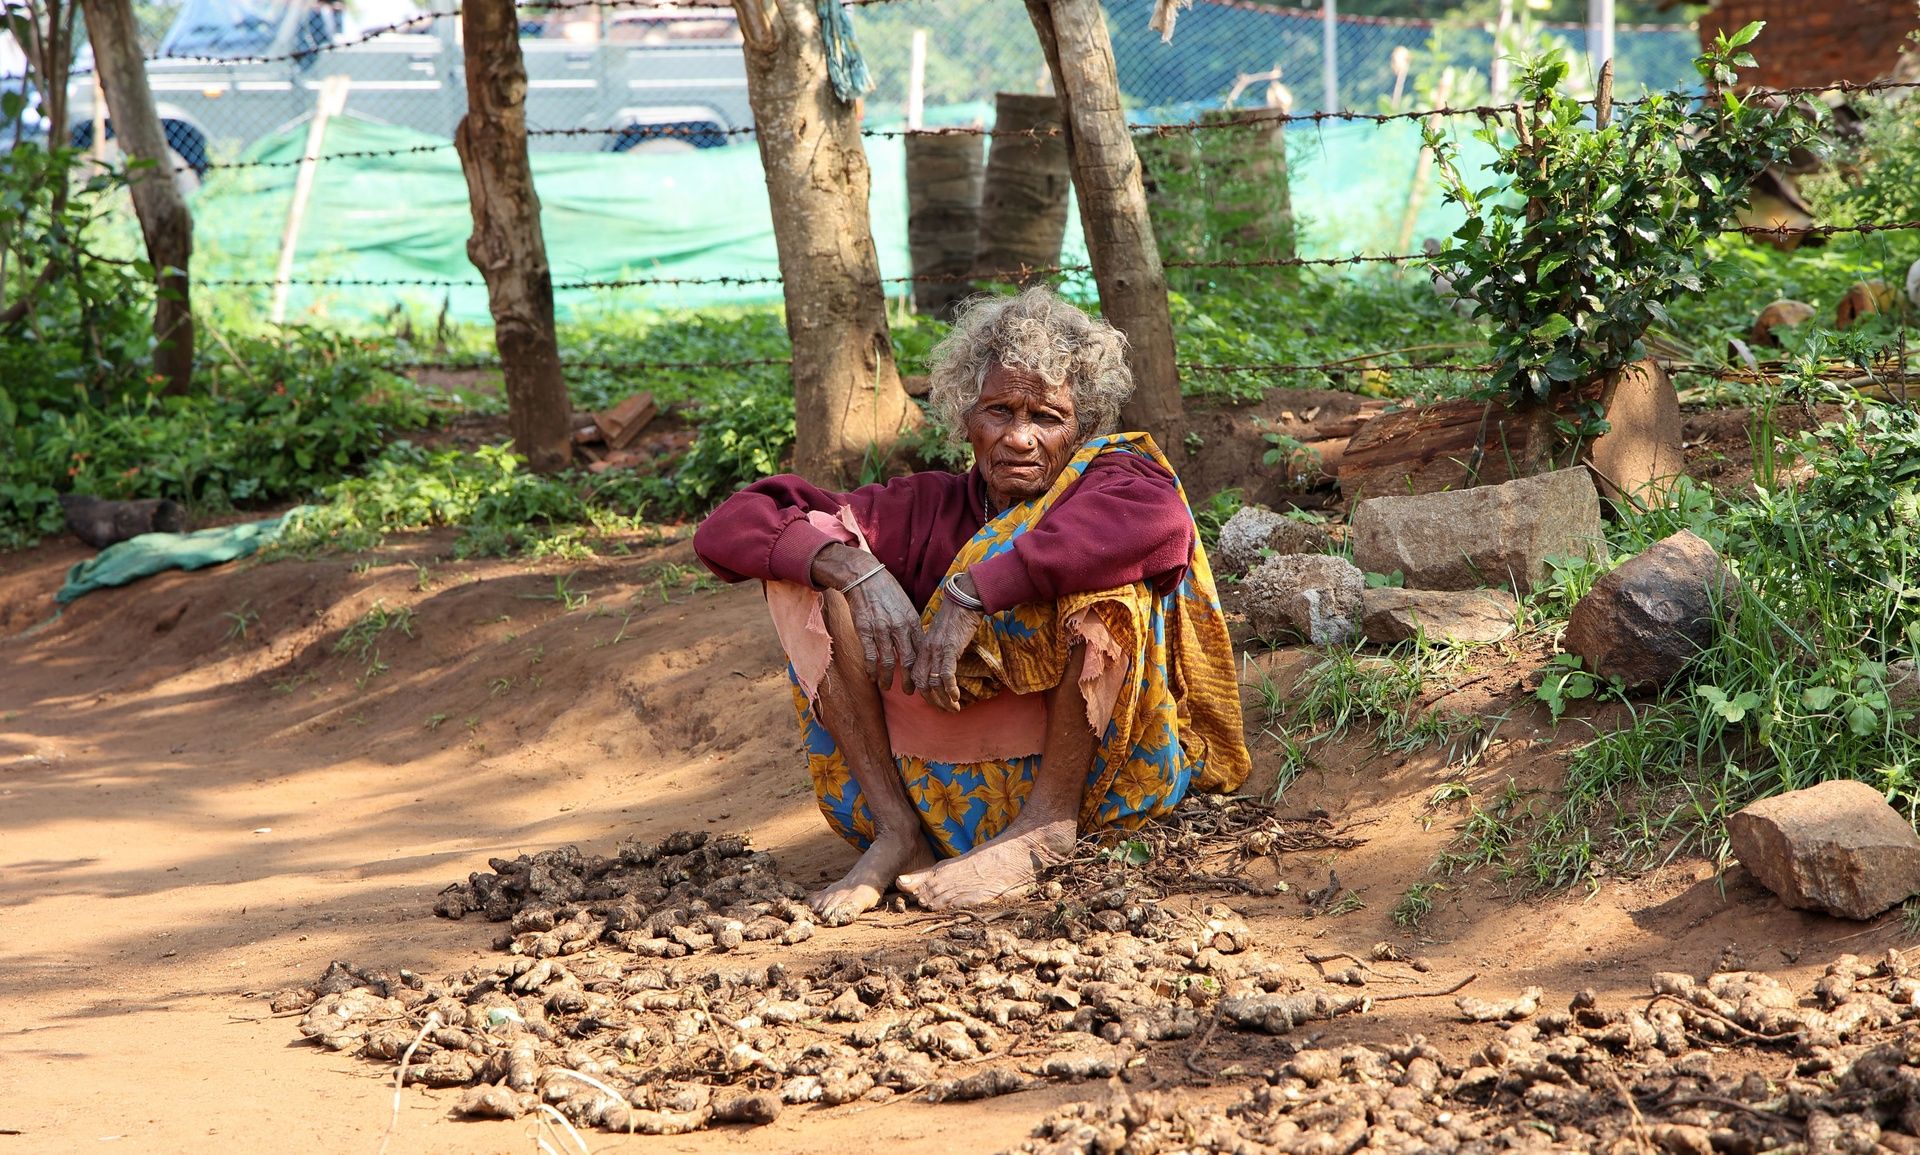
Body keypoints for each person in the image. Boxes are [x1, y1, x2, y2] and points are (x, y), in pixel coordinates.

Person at [693, 288, 1248, 923]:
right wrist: (852, 567)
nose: (1019, 438)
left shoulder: (1117, 480)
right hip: (935, 796)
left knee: (1105, 589)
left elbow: (1158, 526)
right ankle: (896, 833)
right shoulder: (927, 506)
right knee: (807, 570)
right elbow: (734, 526)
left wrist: (973, 590)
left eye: (1047, 417)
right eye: (998, 411)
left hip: (1100, 787)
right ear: (965, 420)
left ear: (1086, 426)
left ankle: (1046, 827)